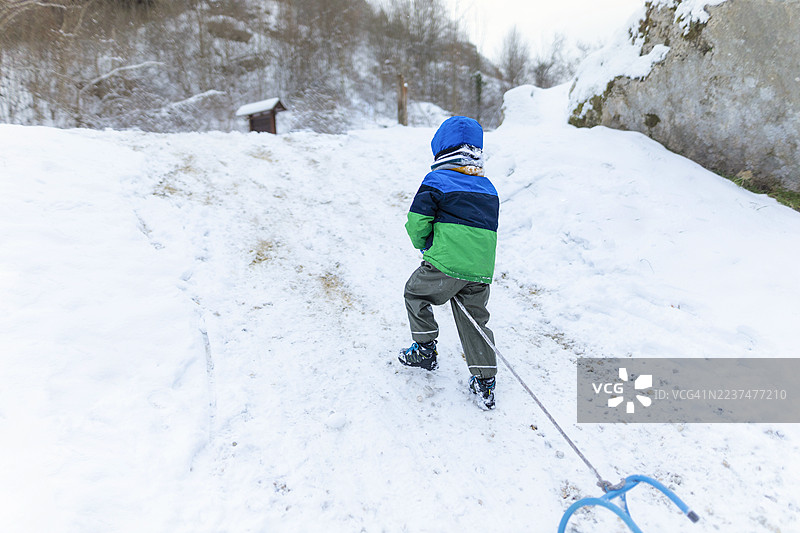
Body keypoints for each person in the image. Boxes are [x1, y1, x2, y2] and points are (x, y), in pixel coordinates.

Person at [398, 116, 500, 410]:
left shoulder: (436, 180)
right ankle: (485, 382)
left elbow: (417, 222)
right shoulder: (489, 187)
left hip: (444, 263)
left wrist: (425, 244)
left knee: (415, 293)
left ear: (441, 150)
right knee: (475, 320)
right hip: (480, 269)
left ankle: (425, 350)